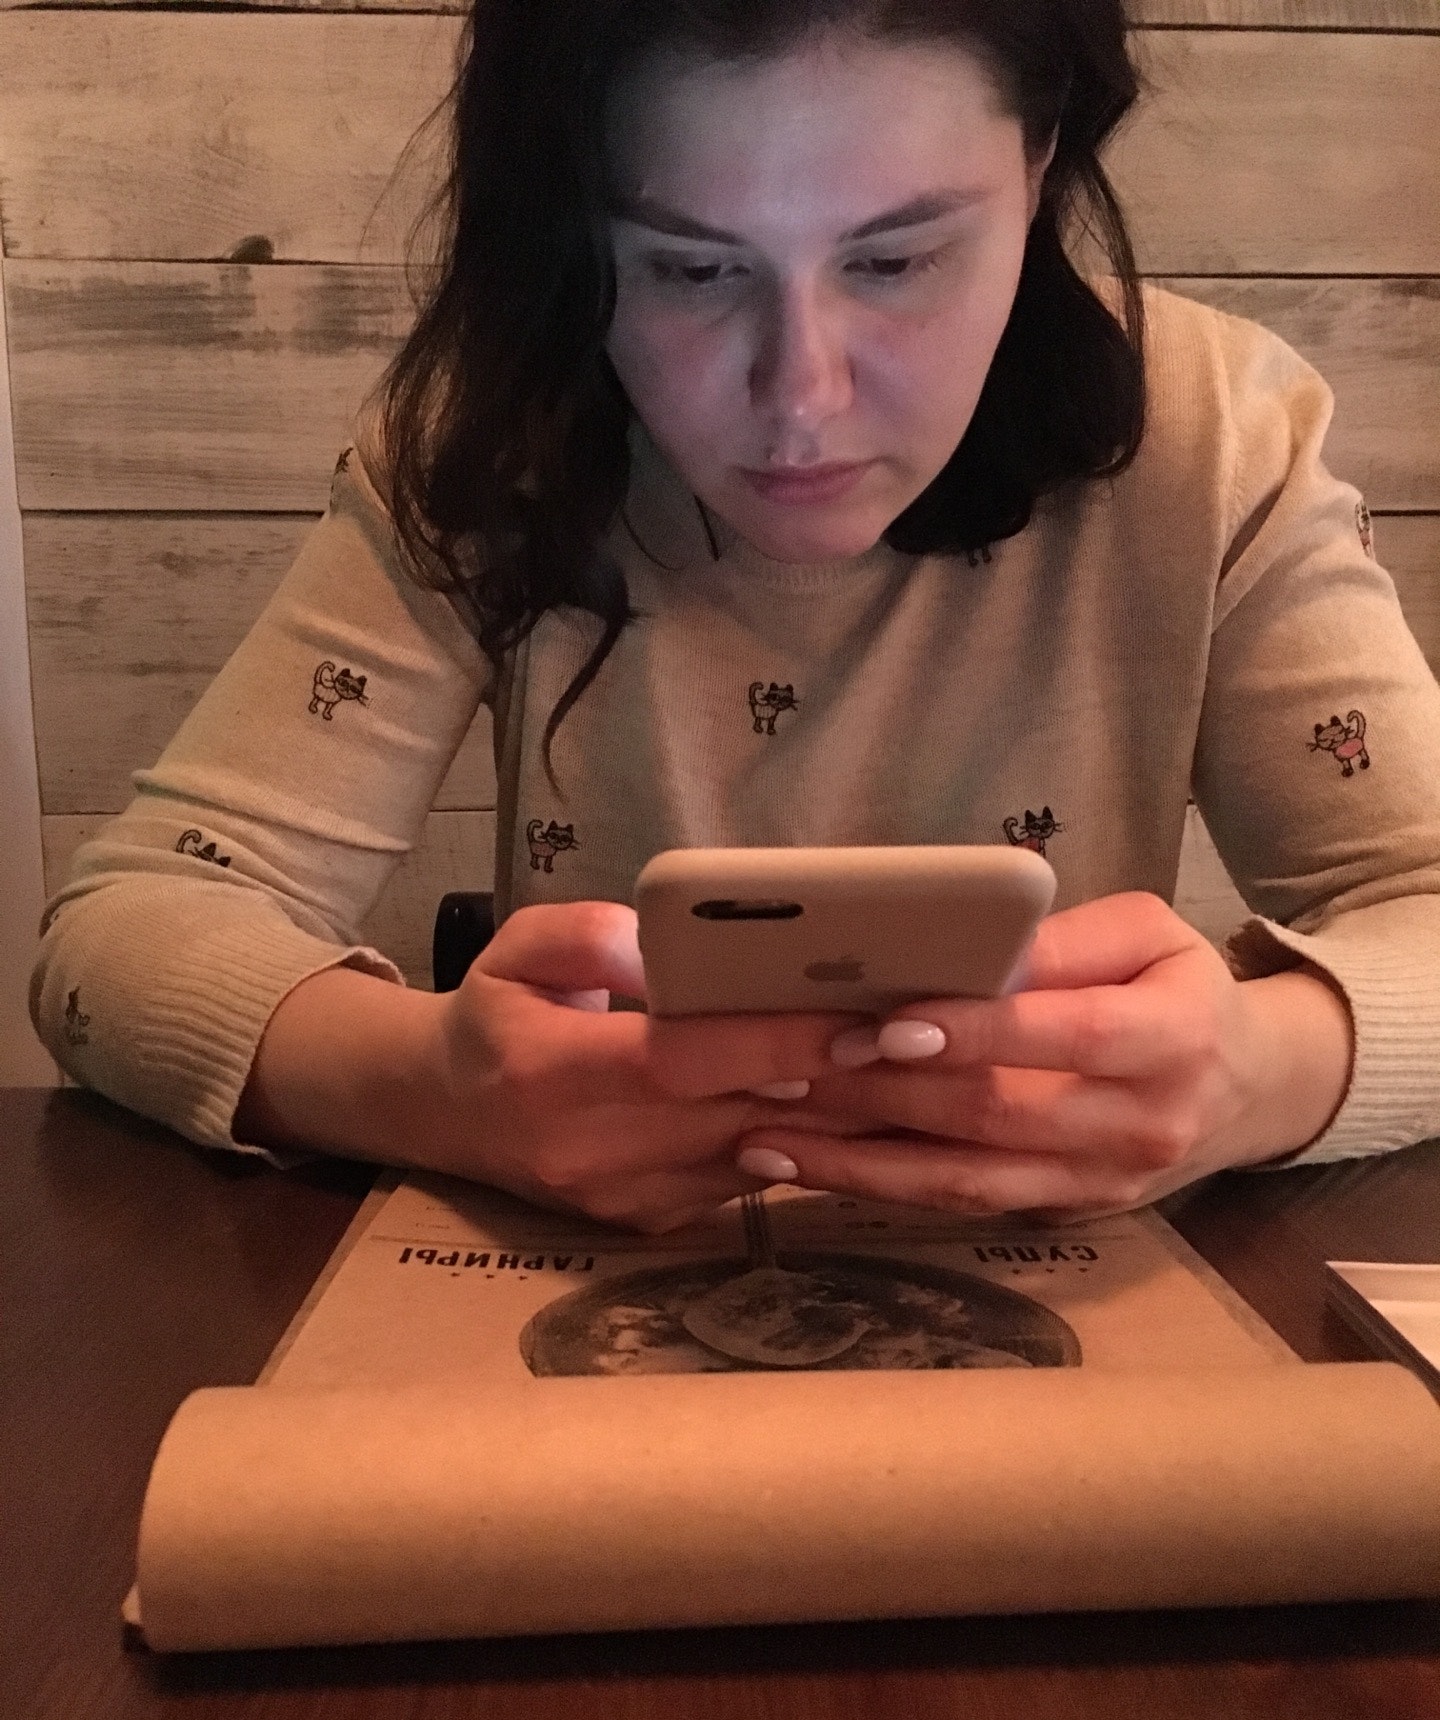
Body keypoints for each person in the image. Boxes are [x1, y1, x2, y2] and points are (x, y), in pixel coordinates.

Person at [30, 0, 1440, 1234]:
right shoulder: (493, 448)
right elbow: (126, 930)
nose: (801, 396)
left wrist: (1259, 1071)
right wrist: (433, 1087)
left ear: (1041, 161)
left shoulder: (1217, 443)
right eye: (694, 270)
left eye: (895, 261)